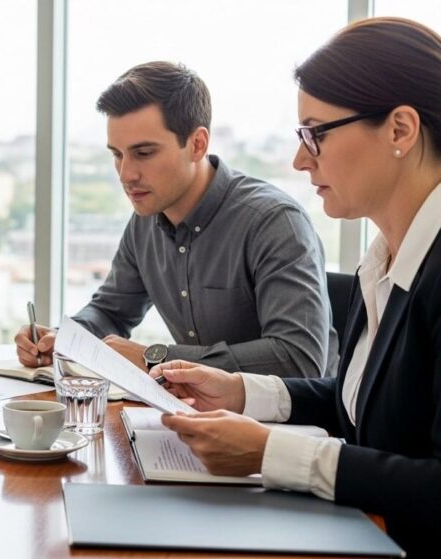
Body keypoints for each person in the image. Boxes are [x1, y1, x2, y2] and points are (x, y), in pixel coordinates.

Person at [152, 17, 441, 555]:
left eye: (316, 133)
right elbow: (363, 407)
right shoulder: (383, 262)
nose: (300, 159)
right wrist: (241, 392)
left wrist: (272, 453)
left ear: (400, 130)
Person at [15, 61, 337, 379]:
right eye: (117, 154)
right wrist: (64, 339)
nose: (126, 174)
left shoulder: (274, 223)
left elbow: (298, 360)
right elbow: (110, 312)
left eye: (144, 153)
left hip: (291, 413)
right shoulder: (145, 220)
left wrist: (156, 359)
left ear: (197, 144)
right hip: (193, 409)